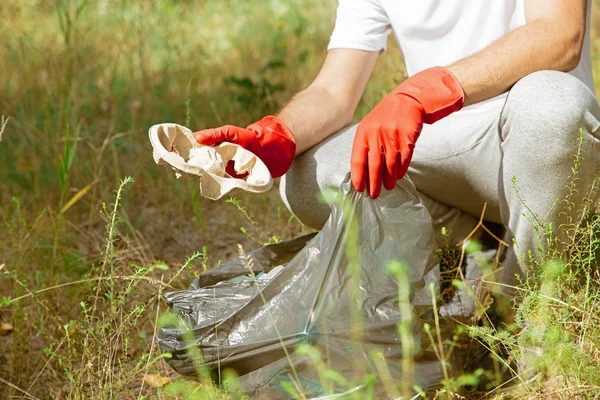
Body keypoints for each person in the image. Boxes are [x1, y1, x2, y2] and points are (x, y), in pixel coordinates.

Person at [194, 0, 599, 288]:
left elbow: (559, 36)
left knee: (555, 106)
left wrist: (430, 89)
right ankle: (481, 252)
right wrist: (277, 132)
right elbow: (335, 91)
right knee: (309, 176)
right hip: (446, 146)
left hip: (541, 151)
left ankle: (527, 309)